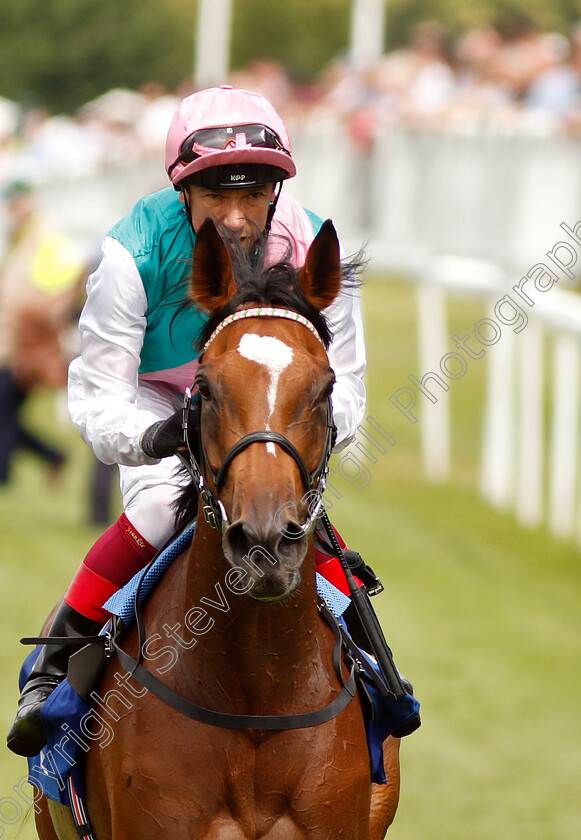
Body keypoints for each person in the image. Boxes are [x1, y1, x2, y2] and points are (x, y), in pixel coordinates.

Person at [7, 85, 367, 757]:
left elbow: (346, 388)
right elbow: (97, 395)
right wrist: (156, 438)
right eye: (214, 197)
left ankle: (378, 674)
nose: (234, 218)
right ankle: (52, 668)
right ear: (183, 194)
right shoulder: (129, 254)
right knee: (150, 518)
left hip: (266, 412)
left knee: (298, 524)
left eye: (252, 195)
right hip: (159, 407)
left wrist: (288, 440)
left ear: (276, 193)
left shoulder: (315, 243)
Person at [0, 180, 81, 486]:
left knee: (4, 406)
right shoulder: (22, 236)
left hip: (25, 342)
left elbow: (67, 278)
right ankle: (50, 456)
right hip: (13, 339)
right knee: (5, 410)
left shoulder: (44, 235)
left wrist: (49, 312)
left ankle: (7, 473)